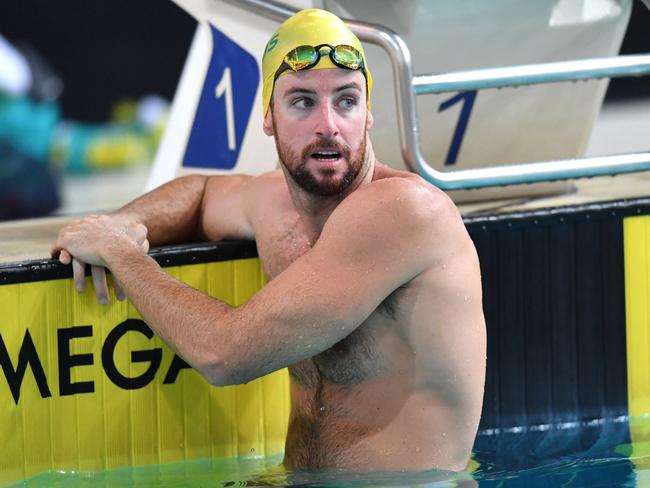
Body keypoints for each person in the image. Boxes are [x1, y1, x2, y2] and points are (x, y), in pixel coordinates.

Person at [51, 9, 486, 473]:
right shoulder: (274, 203)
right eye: (302, 102)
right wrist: (123, 222)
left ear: (369, 112)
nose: (329, 125)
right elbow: (201, 194)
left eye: (346, 100)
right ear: (269, 117)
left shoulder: (405, 212)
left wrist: (119, 254)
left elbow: (224, 354)